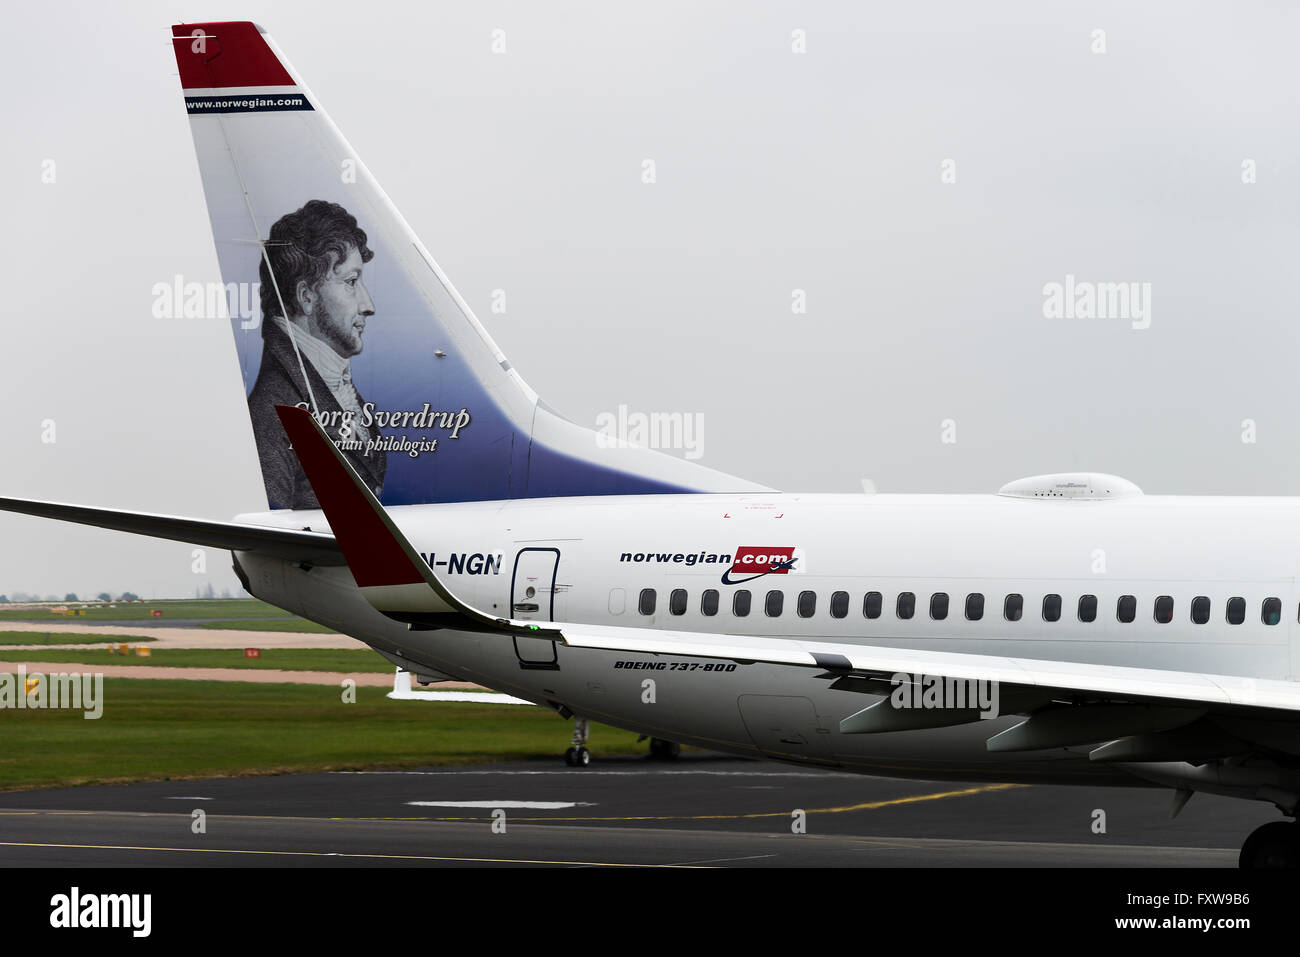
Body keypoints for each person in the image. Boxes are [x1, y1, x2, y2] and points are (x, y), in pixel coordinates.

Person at [247, 199, 387, 509]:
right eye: (351, 282)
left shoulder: (329, 382)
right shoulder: (274, 412)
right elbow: (274, 537)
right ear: (306, 296)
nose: (368, 304)